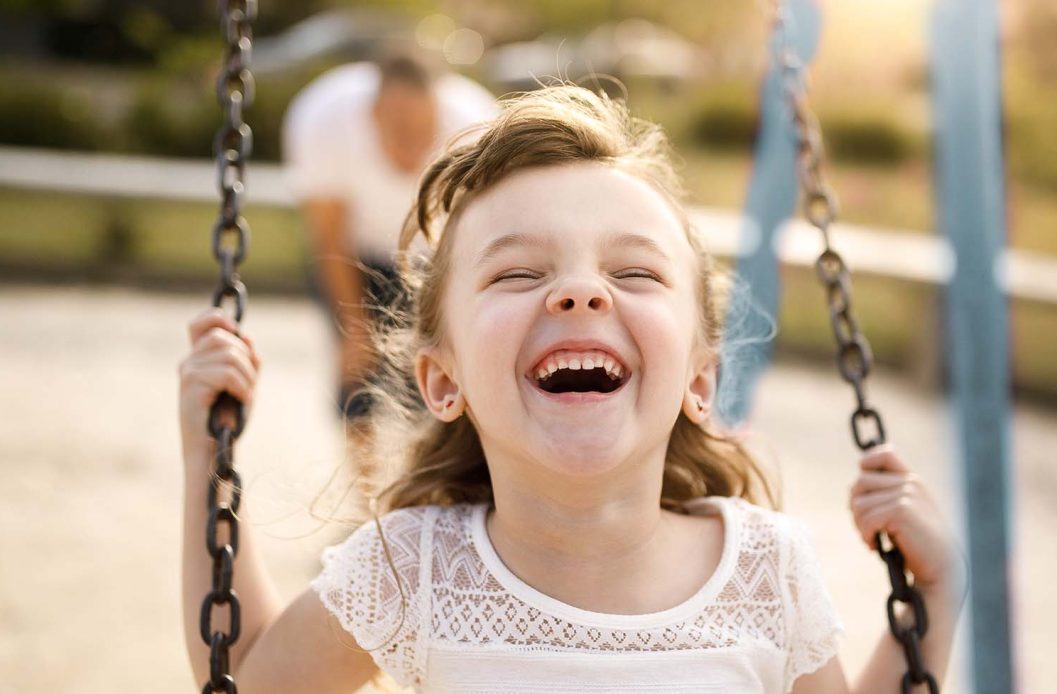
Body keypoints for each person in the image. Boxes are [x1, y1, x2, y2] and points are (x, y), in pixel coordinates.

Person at [180, 85, 968, 693]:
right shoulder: (414, 570)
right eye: (520, 272)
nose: (581, 293)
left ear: (700, 377)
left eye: (633, 272)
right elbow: (245, 678)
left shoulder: (763, 568)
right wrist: (207, 462)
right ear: (442, 381)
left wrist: (933, 601)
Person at [282, 50, 497, 420]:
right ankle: (362, 477)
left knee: (437, 376)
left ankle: (430, 472)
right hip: (354, 253)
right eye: (399, 130)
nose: (411, 145)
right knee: (358, 380)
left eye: (421, 131)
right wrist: (354, 328)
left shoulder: (476, 127)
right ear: (373, 116)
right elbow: (330, 237)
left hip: (436, 258)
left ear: (439, 113)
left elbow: (483, 235)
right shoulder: (323, 119)